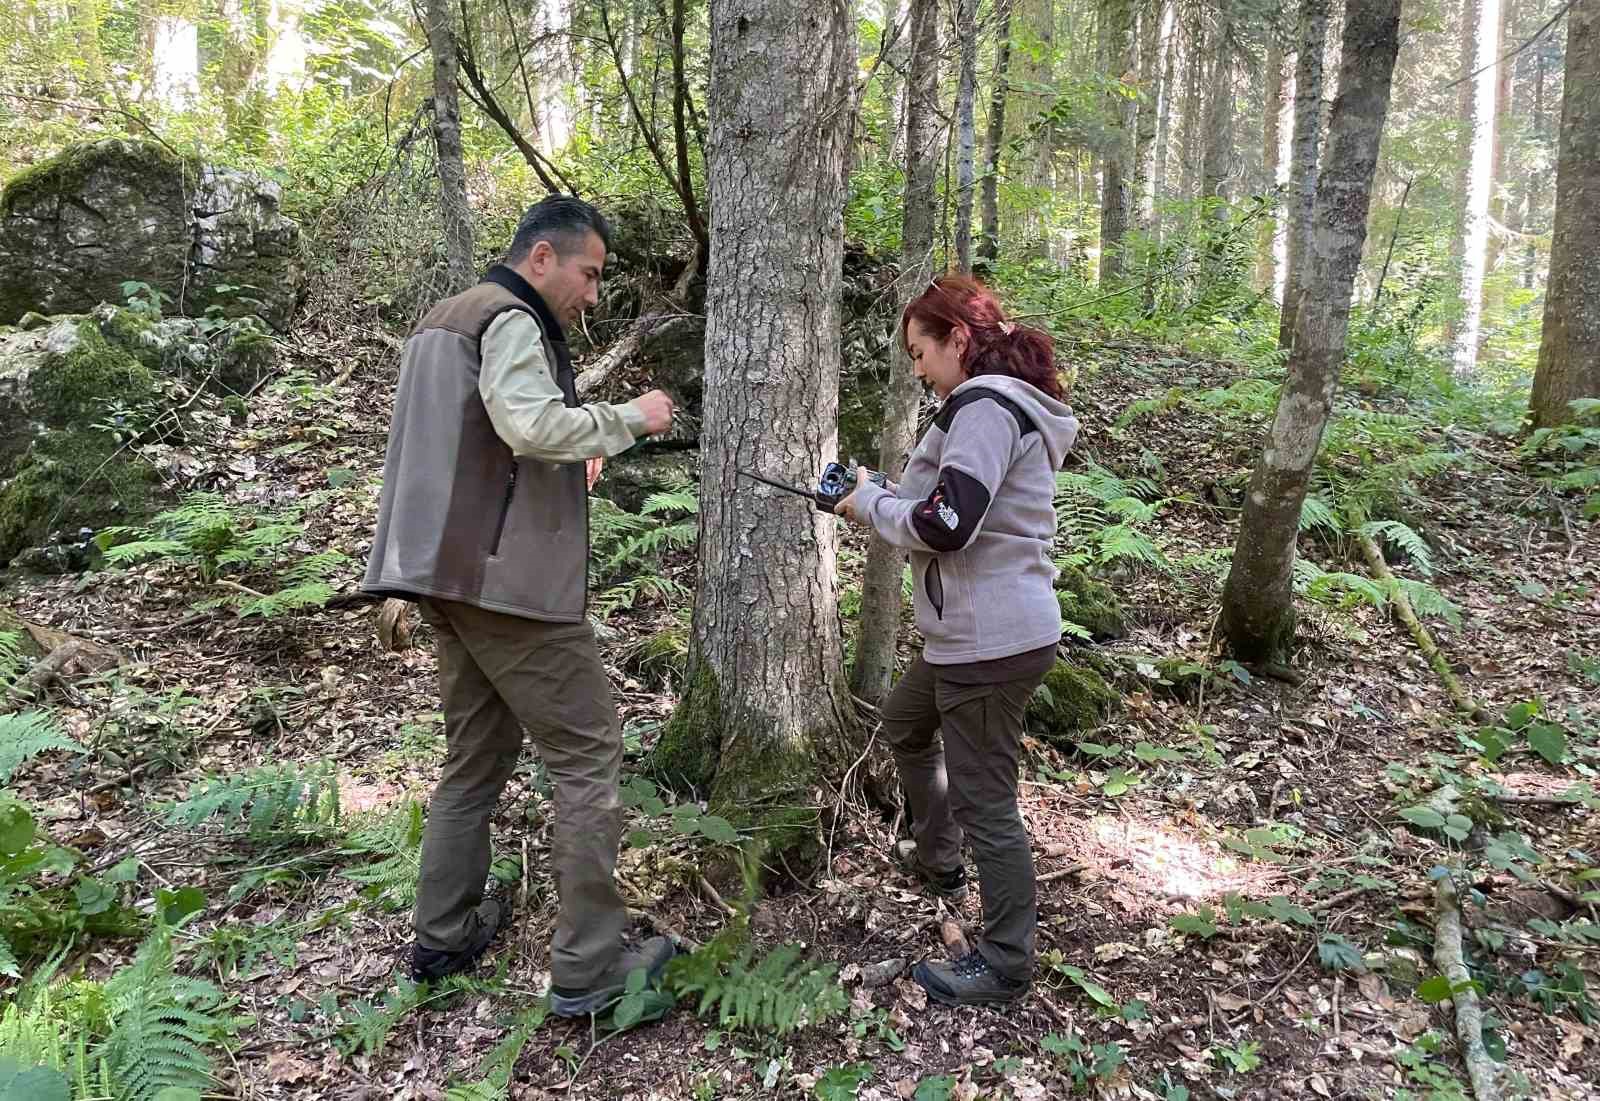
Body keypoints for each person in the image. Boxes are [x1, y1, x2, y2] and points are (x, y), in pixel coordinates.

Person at [362, 195, 678, 1016]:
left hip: (445, 576)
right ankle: (592, 970)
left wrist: (558, 464)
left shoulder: (444, 318)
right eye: (589, 272)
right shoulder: (510, 317)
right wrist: (625, 421)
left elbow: (474, 442)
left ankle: (444, 932)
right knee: (587, 756)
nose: (593, 294)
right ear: (542, 257)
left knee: (475, 756)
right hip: (512, 589)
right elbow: (529, 422)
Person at [833, 276, 1080, 1006]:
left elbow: (948, 522)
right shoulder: (985, 408)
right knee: (907, 723)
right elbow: (946, 502)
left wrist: (871, 503)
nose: (917, 368)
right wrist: (879, 490)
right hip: (969, 634)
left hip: (989, 641)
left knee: (987, 801)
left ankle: (1005, 961)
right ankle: (939, 862)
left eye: (920, 351)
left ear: (958, 340)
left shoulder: (985, 407)